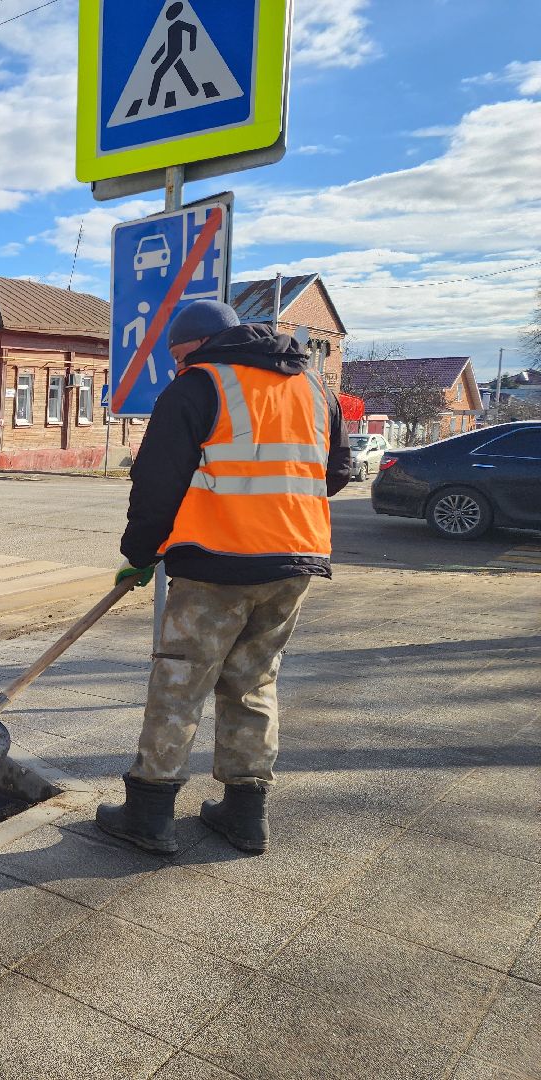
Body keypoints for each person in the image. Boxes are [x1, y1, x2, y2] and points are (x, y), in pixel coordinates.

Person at [96, 300, 352, 856]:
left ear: (198, 346)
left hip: (217, 564)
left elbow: (156, 484)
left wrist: (141, 551)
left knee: (180, 684)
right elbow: (338, 473)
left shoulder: (196, 386)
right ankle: (244, 815)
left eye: (179, 356)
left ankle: (148, 812)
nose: (177, 367)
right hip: (294, 562)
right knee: (254, 682)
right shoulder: (314, 387)